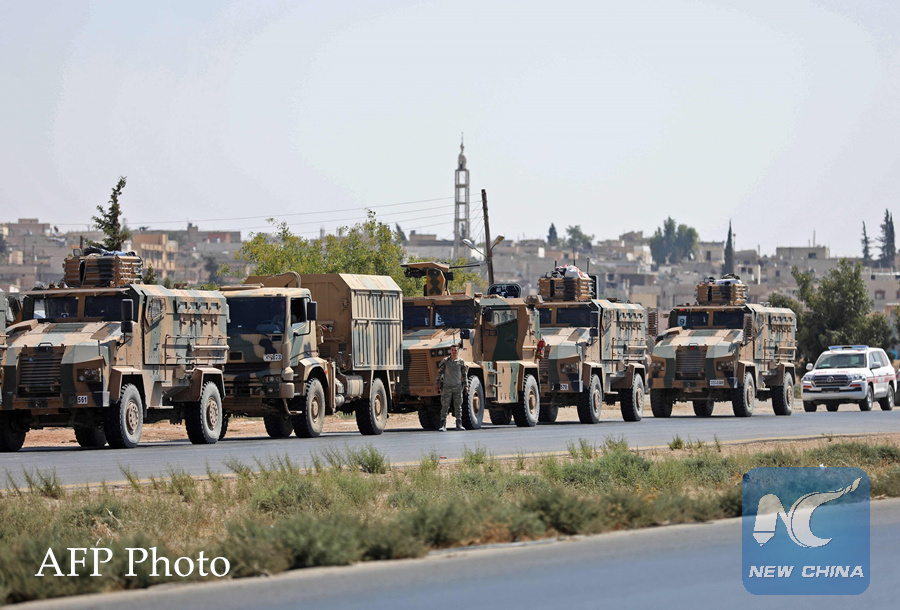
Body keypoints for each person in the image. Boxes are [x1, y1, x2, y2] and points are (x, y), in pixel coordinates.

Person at [435, 344, 467, 431]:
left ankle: (459, 424)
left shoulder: (461, 362)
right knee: (445, 406)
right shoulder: (445, 361)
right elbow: (440, 372)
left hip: (457, 386)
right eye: (452, 350)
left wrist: (466, 385)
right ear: (450, 351)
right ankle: (443, 425)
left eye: (455, 350)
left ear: (458, 351)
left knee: (458, 406)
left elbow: (464, 374)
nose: (454, 351)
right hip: (447, 386)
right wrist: (437, 383)